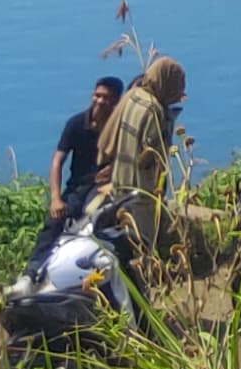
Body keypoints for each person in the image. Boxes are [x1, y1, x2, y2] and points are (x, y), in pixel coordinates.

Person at [99, 55, 186, 269]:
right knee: (142, 243)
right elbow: (150, 155)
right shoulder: (154, 110)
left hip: (122, 182)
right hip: (142, 191)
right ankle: (142, 285)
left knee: (124, 240)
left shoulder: (134, 95)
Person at [48, 74, 121, 224]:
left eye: (106, 97)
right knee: (53, 225)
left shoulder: (120, 128)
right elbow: (58, 160)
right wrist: (55, 198)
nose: (100, 101)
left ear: (116, 101)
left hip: (107, 187)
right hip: (78, 187)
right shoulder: (76, 123)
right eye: (97, 95)